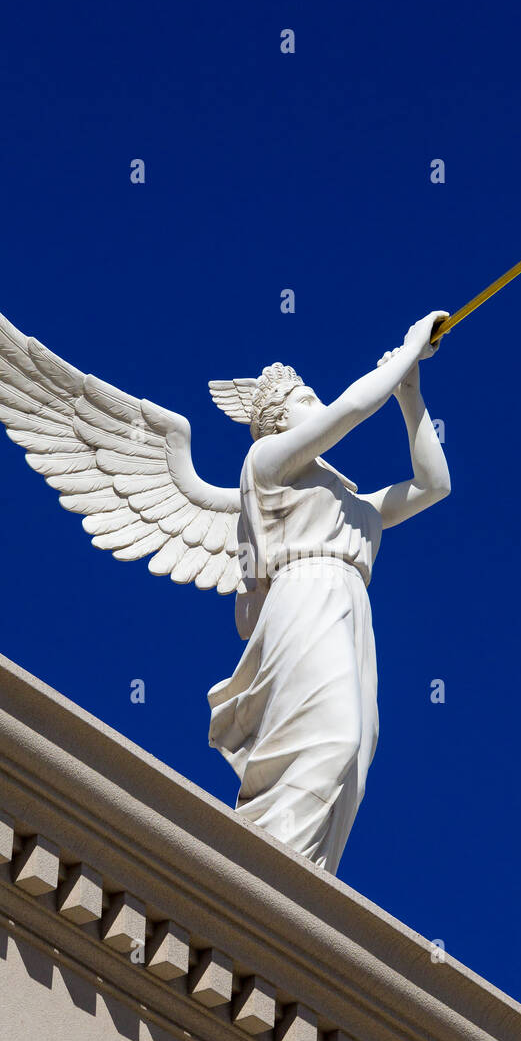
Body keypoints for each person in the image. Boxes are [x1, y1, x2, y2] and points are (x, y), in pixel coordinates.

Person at [208, 311, 452, 874]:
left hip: (349, 609)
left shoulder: (351, 504)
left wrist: (410, 391)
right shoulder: (266, 463)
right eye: (306, 395)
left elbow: (433, 485)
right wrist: (408, 349)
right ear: (276, 418)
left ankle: (302, 879)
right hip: (307, 595)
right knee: (333, 738)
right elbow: (349, 410)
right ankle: (255, 866)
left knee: (355, 754)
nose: (317, 401)